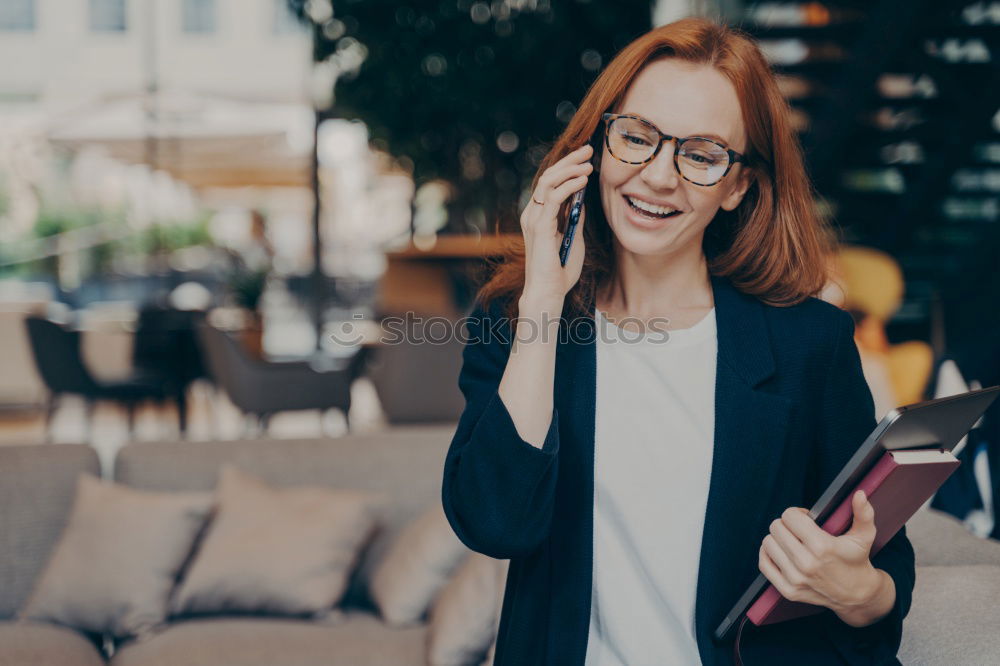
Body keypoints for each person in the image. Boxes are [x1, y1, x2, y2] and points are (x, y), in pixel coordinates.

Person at [441, 16, 914, 666]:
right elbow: (495, 523)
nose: (658, 176)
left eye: (700, 154)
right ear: (599, 147)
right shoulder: (517, 318)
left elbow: (883, 572)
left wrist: (858, 590)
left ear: (737, 186)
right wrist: (544, 302)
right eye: (637, 137)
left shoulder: (812, 343)